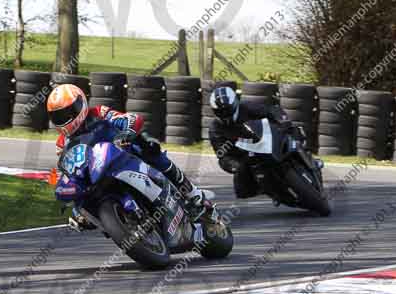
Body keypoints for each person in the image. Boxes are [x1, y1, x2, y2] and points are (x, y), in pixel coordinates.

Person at [47, 84, 208, 231]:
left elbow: (129, 119)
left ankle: (192, 194)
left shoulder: (98, 113)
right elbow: (70, 171)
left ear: (80, 105)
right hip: (97, 172)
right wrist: (75, 206)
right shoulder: (62, 143)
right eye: (58, 117)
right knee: (81, 197)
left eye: (68, 113)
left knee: (150, 148)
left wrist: (127, 133)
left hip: (124, 152)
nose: (64, 120)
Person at [208, 86, 294, 199]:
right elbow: (222, 154)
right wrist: (234, 165)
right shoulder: (215, 128)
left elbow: (271, 110)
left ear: (235, 104)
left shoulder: (247, 107)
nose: (225, 113)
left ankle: (304, 156)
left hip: (265, 139)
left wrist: (283, 121)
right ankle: (268, 188)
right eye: (221, 111)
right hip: (245, 154)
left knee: (292, 132)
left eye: (228, 109)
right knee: (241, 191)